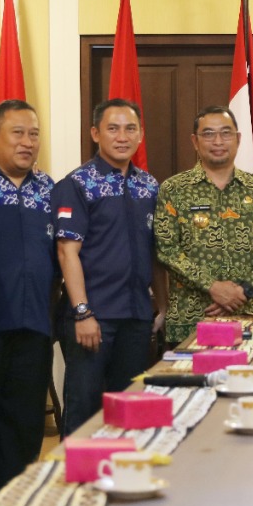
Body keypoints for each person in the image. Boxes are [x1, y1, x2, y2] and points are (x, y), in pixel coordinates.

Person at [0, 99, 58, 506]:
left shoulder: (49, 189)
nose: (27, 142)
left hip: (35, 321)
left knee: (25, 420)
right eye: (17, 133)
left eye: (33, 134)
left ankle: (19, 502)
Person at [55, 99, 159, 435]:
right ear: (95, 133)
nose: (122, 136)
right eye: (112, 128)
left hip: (137, 316)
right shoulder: (77, 184)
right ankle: (75, 483)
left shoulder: (150, 186)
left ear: (141, 135)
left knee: (127, 408)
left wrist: (163, 306)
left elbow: (157, 251)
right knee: (84, 410)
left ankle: (120, 479)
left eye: (130, 128)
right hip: (93, 318)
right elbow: (66, 252)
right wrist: (82, 312)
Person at [154, 106, 253, 346]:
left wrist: (242, 292)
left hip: (247, 318)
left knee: (246, 382)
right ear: (195, 141)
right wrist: (213, 287)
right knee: (188, 383)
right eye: (208, 134)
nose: (218, 141)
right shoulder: (174, 189)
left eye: (226, 133)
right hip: (190, 321)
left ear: (238, 139)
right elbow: (166, 250)